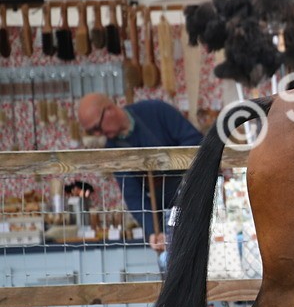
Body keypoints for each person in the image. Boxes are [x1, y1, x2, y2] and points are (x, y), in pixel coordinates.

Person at [76, 94, 202, 259]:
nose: (99, 134)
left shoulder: (156, 110)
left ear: (109, 110)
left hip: (196, 199)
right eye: (93, 132)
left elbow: (196, 142)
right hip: (166, 214)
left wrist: (164, 162)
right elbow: (134, 196)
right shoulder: (114, 149)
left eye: (97, 128)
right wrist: (153, 231)